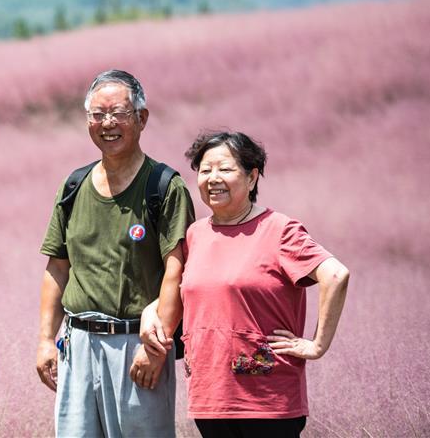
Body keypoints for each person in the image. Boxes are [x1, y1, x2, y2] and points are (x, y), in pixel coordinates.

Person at [140, 130, 350, 438]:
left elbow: (335, 275)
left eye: (225, 169)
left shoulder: (278, 229)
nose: (213, 178)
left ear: (252, 178)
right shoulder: (196, 234)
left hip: (267, 401)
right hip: (210, 397)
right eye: (205, 170)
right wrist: (150, 311)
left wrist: (317, 345)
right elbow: (192, 291)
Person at [36, 70, 194, 437]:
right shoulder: (74, 186)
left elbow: (178, 271)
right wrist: (46, 339)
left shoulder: (164, 187)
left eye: (119, 113)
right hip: (76, 344)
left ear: (141, 118)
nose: (107, 123)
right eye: (97, 114)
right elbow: (57, 268)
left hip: (138, 346)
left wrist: (156, 349)